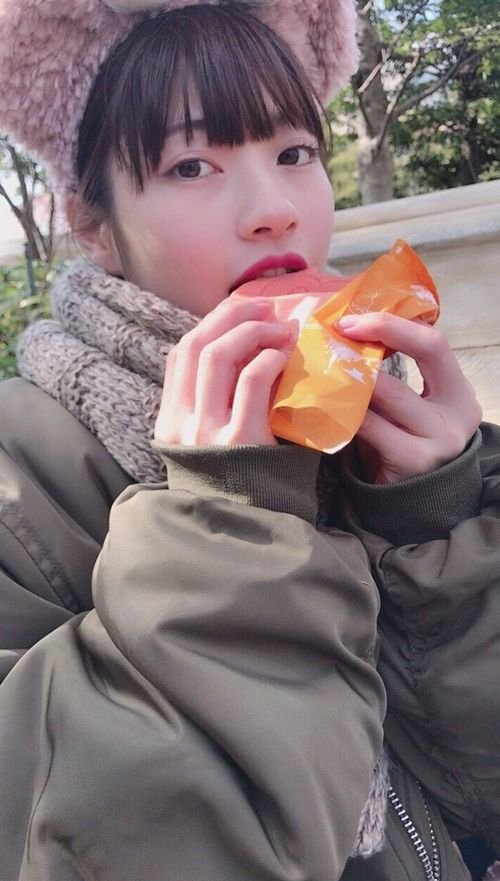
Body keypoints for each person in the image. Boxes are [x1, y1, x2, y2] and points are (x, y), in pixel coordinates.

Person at [0, 1, 498, 879]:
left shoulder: (373, 419)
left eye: (295, 153)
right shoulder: (19, 478)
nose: (273, 210)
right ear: (92, 224)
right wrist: (226, 530)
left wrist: (440, 524)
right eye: (191, 164)